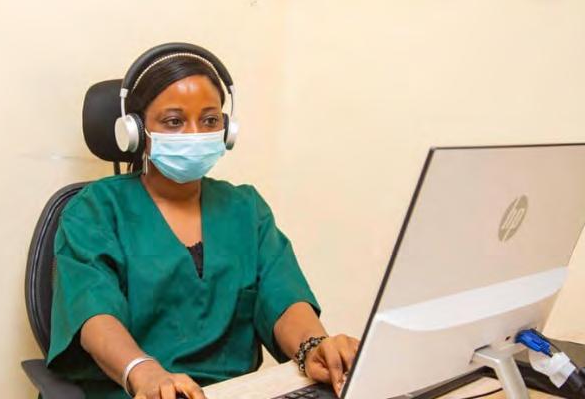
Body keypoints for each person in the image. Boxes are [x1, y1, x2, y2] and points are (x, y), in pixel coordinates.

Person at [47, 44, 360, 399]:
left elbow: (283, 296)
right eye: (174, 121)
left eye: (210, 120)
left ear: (227, 130)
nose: (195, 134)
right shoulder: (95, 210)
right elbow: (93, 312)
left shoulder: (246, 209)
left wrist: (314, 347)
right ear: (136, 130)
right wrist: (143, 372)